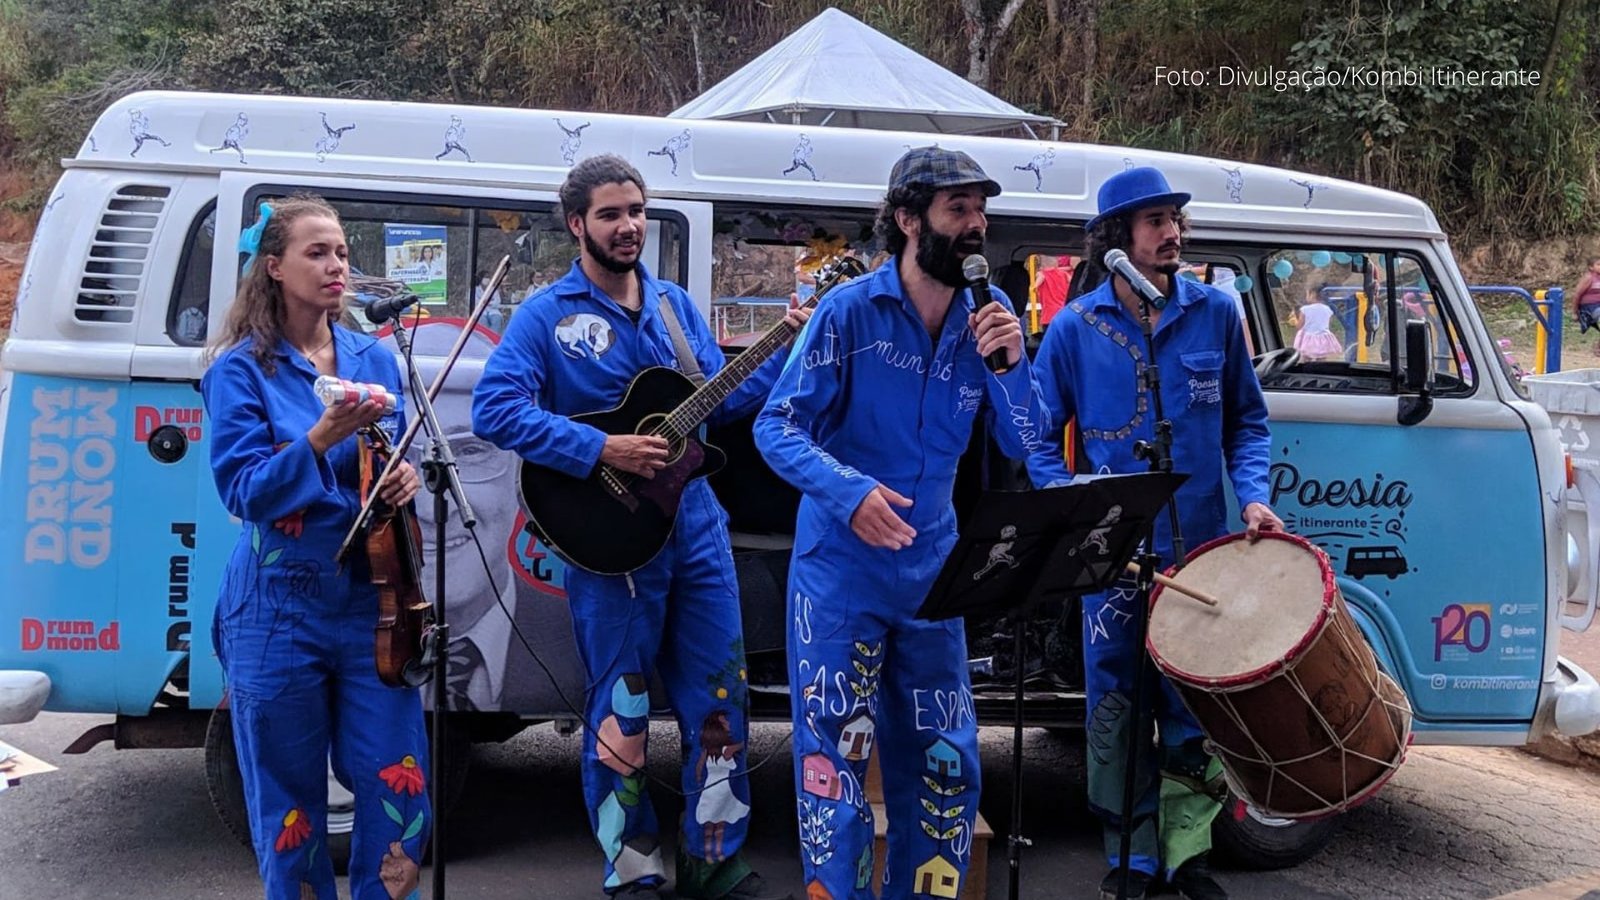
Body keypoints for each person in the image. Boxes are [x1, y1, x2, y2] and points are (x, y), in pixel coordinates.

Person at [472, 154, 807, 900]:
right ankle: (630, 864)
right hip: (612, 542)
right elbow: (496, 410)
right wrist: (601, 448)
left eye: (637, 212)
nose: (629, 227)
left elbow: (719, 406)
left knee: (722, 699)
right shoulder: (546, 316)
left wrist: (788, 348)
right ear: (576, 224)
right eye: (611, 214)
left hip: (698, 531)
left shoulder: (676, 309)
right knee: (621, 706)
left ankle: (713, 857)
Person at [752, 146, 1053, 900]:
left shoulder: (991, 320)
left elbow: (1030, 446)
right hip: (840, 577)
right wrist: (848, 490)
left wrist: (1015, 368)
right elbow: (777, 426)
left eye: (982, 209)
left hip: (934, 576)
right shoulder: (847, 312)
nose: (977, 225)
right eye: (960, 209)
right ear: (909, 219)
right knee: (835, 763)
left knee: (946, 759)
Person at [1027, 167, 1282, 900]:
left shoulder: (1215, 313)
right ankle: (1130, 856)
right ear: (1116, 238)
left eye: (1175, 219)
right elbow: (1038, 440)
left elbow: (1249, 422)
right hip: (1111, 559)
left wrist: (1255, 498)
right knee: (1115, 703)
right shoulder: (1078, 328)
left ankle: (1187, 853)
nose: (1171, 233)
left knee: (1193, 701)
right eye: (1153, 221)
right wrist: (1074, 500)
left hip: (1200, 553)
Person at [200, 194, 430, 900]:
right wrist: (321, 436)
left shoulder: (373, 357)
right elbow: (245, 491)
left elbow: (384, 460)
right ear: (274, 267)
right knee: (289, 804)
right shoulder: (240, 370)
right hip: (277, 609)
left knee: (401, 786)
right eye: (317, 252)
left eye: (340, 252)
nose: (336, 266)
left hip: (374, 603)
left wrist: (402, 479)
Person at [1293, 284, 1344, 360]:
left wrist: (1295, 322)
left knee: (1307, 357)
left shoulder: (1305, 309)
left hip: (1308, 339)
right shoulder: (1328, 309)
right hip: (1323, 338)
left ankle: (1307, 370)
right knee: (1322, 358)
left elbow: (1300, 326)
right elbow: (1327, 324)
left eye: (1307, 294)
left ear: (1313, 294)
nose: (1306, 297)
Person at [1572, 256, 1600, 352]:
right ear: (1591, 267)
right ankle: (1598, 347)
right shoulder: (1588, 278)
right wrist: (1575, 312)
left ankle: (1598, 346)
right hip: (1589, 307)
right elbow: (1577, 294)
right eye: (1598, 264)